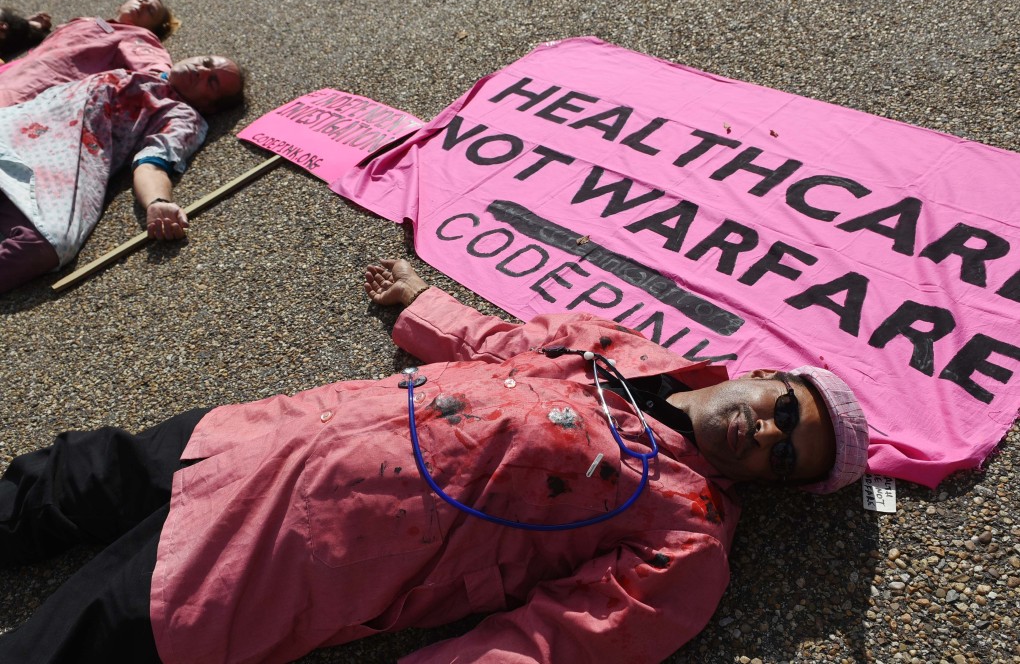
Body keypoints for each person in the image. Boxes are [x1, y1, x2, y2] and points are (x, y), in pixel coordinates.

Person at [0, 258, 870, 663]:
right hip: (273, 435)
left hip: (299, 550)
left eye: (788, 458)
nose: (768, 435)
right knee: (65, 480)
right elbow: (511, 341)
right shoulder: (627, 348)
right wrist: (426, 307)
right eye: (785, 411)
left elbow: (554, 645)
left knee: (78, 640)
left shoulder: (688, 535)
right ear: (765, 374)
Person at [0, 54, 244, 294]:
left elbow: (153, 162)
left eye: (212, 81)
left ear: (208, 106)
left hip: (54, 160)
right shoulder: (148, 66)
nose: (201, 69)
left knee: (48, 244)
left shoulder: (182, 115)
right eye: (207, 61)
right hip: (12, 124)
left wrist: (158, 202)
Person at [0, 0, 178, 107]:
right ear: (122, 4)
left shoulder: (137, 35)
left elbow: (153, 66)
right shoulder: (89, 21)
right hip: (14, 75)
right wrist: (29, 25)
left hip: (38, 88)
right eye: (141, 0)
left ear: (153, 28)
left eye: (150, 10)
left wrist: (167, 79)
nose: (143, 5)